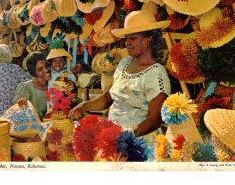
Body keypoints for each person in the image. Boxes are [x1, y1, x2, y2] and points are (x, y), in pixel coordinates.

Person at [69, 10, 171, 142]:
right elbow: (107, 98)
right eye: (126, 38)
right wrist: (84, 106)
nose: (127, 42)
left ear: (148, 39)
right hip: (113, 137)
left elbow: (154, 120)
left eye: (132, 38)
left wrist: (125, 137)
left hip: (139, 143)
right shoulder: (124, 63)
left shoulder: (157, 74)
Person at [13, 51, 51, 121]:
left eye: (46, 66)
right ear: (33, 73)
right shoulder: (26, 87)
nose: (45, 70)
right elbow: (18, 113)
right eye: (40, 69)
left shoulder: (54, 84)